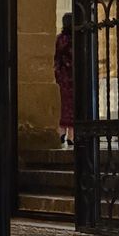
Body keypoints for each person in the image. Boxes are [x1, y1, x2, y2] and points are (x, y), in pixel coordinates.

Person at [53, 11, 74, 149]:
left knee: (64, 104)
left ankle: (62, 132)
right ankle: (71, 135)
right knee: (73, 106)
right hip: (73, 76)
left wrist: (58, 73)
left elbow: (56, 58)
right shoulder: (75, 39)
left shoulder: (60, 39)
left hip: (63, 76)